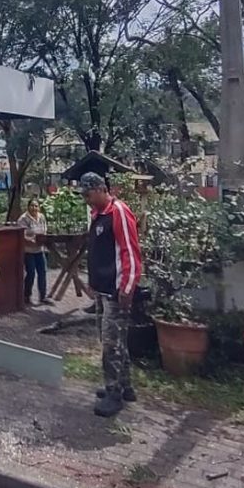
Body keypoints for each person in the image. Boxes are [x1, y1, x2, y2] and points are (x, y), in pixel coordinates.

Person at [80, 172, 142, 417]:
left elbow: (130, 252)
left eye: (87, 194)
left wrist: (127, 287)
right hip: (103, 290)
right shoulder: (98, 214)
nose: (85, 199)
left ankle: (113, 393)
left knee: (110, 344)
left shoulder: (118, 212)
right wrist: (92, 282)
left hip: (117, 291)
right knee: (115, 341)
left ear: (99, 189)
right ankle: (125, 385)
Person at [17, 199, 48, 304]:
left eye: (36, 206)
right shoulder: (23, 219)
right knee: (31, 273)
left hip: (40, 249)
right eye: (32, 206)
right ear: (28, 206)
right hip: (29, 250)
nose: (34, 208)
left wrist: (43, 239)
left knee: (42, 272)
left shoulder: (41, 217)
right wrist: (32, 240)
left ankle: (43, 296)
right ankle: (27, 295)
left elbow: (44, 230)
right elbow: (22, 235)